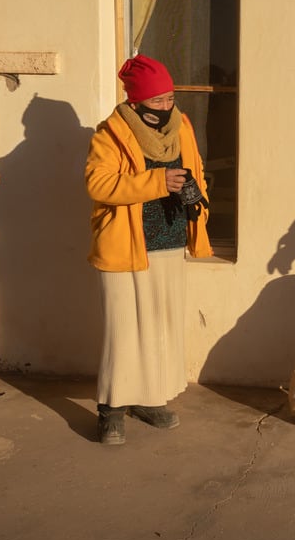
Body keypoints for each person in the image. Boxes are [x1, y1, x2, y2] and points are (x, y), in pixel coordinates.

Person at [85, 54, 212, 445]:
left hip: (170, 241)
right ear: (137, 101)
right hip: (126, 245)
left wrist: (197, 195)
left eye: (170, 98)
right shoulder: (110, 132)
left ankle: (150, 399)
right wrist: (158, 182)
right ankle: (111, 410)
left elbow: (197, 169)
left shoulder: (182, 126)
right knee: (123, 332)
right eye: (157, 101)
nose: (166, 107)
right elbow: (99, 185)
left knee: (160, 327)